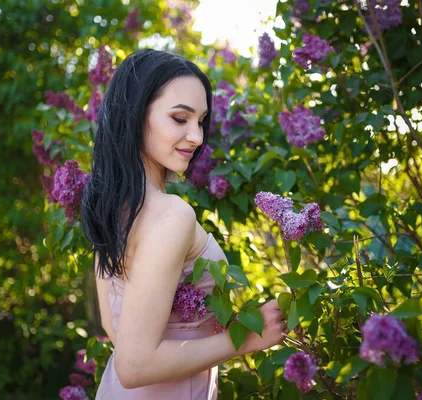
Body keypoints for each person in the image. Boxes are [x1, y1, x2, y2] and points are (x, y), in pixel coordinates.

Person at [81, 49, 287, 399]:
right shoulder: (171, 215)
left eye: (201, 121)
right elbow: (134, 367)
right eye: (180, 118)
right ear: (134, 116)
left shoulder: (111, 207)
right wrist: (244, 340)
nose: (197, 137)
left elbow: (112, 326)